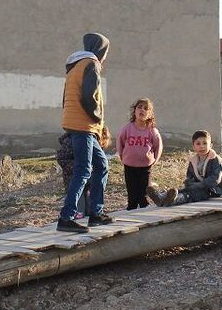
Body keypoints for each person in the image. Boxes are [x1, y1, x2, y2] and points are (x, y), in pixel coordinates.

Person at [57, 32, 114, 233]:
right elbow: (90, 96)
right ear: (101, 50)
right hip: (84, 125)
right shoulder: (91, 64)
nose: (105, 57)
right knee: (83, 170)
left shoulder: (74, 66)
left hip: (76, 123)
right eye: (105, 52)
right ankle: (66, 217)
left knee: (101, 164)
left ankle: (96, 213)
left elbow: (65, 98)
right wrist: (97, 117)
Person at [148, 130, 222, 206]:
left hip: (215, 190)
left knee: (193, 194)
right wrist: (190, 184)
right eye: (198, 144)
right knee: (183, 190)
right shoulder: (193, 161)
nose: (202, 146)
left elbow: (215, 179)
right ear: (193, 146)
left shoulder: (216, 160)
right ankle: (161, 197)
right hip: (199, 187)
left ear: (210, 145)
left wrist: (198, 185)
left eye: (205, 143)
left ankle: (175, 200)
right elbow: (189, 177)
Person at [116, 98, 163, 210]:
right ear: (135, 110)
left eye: (146, 108)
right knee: (132, 195)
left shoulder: (152, 131)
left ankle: (144, 214)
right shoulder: (127, 128)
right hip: (129, 166)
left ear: (150, 114)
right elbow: (120, 142)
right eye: (139, 107)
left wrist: (155, 160)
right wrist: (122, 156)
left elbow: (158, 146)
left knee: (143, 195)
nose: (142, 110)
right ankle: (130, 212)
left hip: (145, 168)